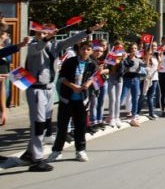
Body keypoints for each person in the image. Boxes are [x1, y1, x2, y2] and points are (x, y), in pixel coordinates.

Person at [21, 21, 104, 172]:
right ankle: (37, 158)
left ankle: (29, 152)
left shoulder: (55, 46)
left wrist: (90, 30)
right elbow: (39, 47)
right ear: (36, 34)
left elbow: (71, 40)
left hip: (48, 89)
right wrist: (46, 38)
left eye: (47, 33)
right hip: (36, 88)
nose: (45, 36)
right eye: (41, 33)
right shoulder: (33, 46)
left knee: (43, 123)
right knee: (39, 124)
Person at [48, 40, 98, 163]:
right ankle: (57, 151)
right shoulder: (70, 61)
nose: (85, 51)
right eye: (83, 49)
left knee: (80, 126)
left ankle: (80, 150)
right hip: (67, 98)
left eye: (88, 49)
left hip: (82, 100)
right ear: (79, 49)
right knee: (62, 126)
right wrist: (73, 86)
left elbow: (94, 77)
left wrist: (88, 83)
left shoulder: (92, 64)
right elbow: (62, 78)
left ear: (91, 51)